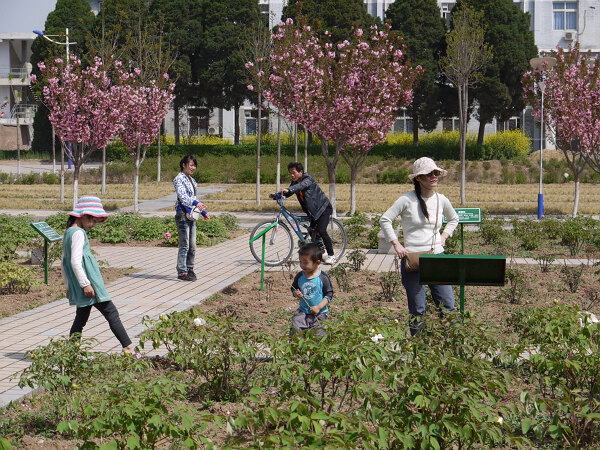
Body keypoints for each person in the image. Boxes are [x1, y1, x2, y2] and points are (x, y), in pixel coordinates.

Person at [380, 157, 459, 336]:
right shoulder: (407, 199)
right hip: (413, 260)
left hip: (437, 257)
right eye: (429, 173)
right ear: (418, 178)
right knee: (417, 310)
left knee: (448, 306)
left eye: (436, 173)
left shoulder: (441, 199)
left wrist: (444, 236)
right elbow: (385, 219)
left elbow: (454, 218)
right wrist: (397, 244)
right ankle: (420, 351)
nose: (434, 176)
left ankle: (453, 347)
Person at [62, 196, 142, 357]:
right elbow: (74, 262)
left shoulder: (69, 232)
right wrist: (85, 284)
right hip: (89, 283)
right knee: (111, 312)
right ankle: (128, 347)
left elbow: (64, 262)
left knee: (81, 318)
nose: (93, 225)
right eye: (92, 220)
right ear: (83, 216)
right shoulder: (78, 233)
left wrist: (68, 286)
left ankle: (70, 353)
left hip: (80, 283)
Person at [272, 161, 337, 264]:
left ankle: (332, 256)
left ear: (301, 172)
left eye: (293, 172)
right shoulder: (295, 182)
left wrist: (289, 189)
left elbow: (300, 186)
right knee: (313, 232)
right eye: (290, 173)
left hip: (323, 209)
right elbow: (290, 192)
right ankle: (323, 254)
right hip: (312, 212)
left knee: (321, 230)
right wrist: (276, 196)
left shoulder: (307, 179)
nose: (292, 175)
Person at [174, 154, 210, 281]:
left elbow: (194, 199)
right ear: (183, 165)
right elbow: (182, 196)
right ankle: (182, 271)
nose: (193, 167)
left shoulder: (192, 180)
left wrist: (203, 212)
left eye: (194, 165)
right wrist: (196, 204)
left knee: (192, 245)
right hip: (182, 214)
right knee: (185, 244)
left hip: (191, 215)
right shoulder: (179, 179)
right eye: (190, 165)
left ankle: (190, 269)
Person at [291, 243, 334, 336]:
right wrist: (296, 293)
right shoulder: (300, 276)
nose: (302, 265)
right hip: (302, 311)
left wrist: (318, 307)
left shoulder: (323, 278)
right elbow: (293, 288)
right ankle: (297, 348)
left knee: (318, 334)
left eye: (305, 262)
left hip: (320, 313)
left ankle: (316, 349)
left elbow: (329, 295)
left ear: (317, 262)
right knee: (296, 329)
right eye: (300, 261)